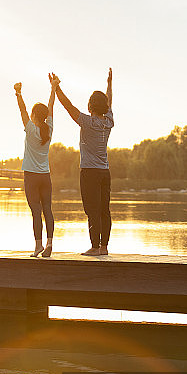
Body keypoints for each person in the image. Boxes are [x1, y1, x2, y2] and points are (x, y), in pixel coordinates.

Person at [50, 69, 114, 256]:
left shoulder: (86, 122)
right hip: (105, 172)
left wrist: (57, 87)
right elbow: (109, 100)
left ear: (90, 106)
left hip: (89, 172)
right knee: (104, 209)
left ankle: (94, 247)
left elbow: (68, 106)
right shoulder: (109, 121)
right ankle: (104, 247)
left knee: (92, 209)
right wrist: (109, 84)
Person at [14, 76, 57, 257]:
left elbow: (22, 109)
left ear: (33, 116)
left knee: (36, 211)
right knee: (48, 209)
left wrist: (18, 93)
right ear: (45, 116)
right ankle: (49, 244)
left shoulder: (30, 129)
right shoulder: (50, 129)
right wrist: (53, 88)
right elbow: (51, 106)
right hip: (45, 176)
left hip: (31, 176)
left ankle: (38, 246)